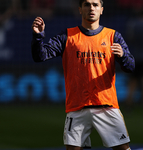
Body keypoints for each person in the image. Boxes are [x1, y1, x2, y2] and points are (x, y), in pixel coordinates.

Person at [31, 0, 135, 150]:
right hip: (77, 106)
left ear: (101, 10)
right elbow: (40, 56)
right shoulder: (67, 36)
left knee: (123, 148)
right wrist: (38, 36)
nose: (91, 8)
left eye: (95, 5)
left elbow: (131, 67)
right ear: (80, 9)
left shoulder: (113, 36)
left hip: (106, 105)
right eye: (87, 4)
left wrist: (124, 55)